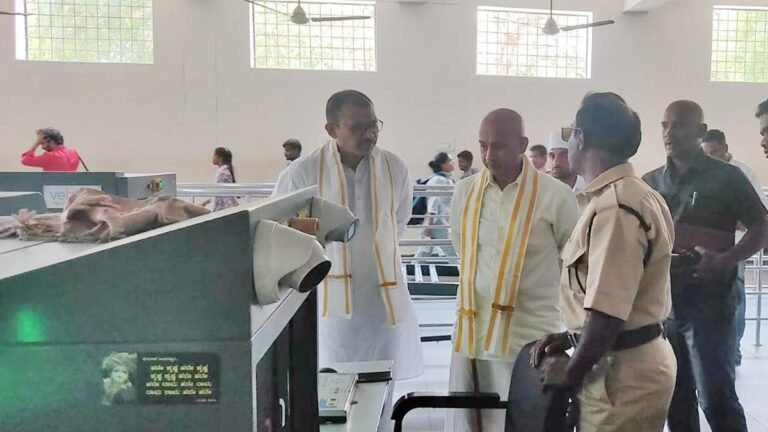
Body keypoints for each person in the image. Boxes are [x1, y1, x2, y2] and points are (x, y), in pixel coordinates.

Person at [533, 92, 677, 431]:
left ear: (581, 138)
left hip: (622, 377)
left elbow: (609, 312)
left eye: (569, 133)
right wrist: (572, 337)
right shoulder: (629, 195)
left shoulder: (616, 208)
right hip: (620, 362)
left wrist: (570, 371)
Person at [272, 90, 423, 380]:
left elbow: (399, 221)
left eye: (374, 125)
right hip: (328, 305)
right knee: (332, 386)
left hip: (382, 302)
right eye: (358, 127)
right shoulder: (301, 174)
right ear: (332, 129)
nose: (370, 134)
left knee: (381, 385)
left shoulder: (395, 167)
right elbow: (282, 233)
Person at [445, 109, 578, 431]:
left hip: (528, 337)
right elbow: (462, 248)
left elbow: (574, 267)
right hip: (473, 334)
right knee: (473, 420)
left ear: (522, 145)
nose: (489, 155)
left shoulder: (556, 196)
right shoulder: (465, 191)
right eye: (483, 145)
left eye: (499, 146)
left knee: (523, 422)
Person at [643, 100, 768, 432]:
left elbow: (761, 226)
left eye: (679, 125)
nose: (669, 132)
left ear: (700, 130)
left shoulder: (727, 177)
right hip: (666, 306)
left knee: (715, 397)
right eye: (665, 125)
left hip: (712, 305)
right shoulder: (650, 183)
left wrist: (726, 259)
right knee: (676, 397)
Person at [702, 129, 767, 366]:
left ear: (725, 148)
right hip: (711, 246)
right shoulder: (705, 173)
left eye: (714, 152)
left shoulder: (743, 173)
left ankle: (734, 348)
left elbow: (759, 215)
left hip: (739, 246)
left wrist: (735, 217)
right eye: (706, 153)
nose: (711, 158)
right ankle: (716, 347)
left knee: (736, 296)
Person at [415, 152, 456, 259]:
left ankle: (413, 267)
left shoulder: (447, 180)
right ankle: (461, 269)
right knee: (452, 252)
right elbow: (433, 202)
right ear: (443, 164)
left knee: (424, 252)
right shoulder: (438, 180)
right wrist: (430, 224)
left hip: (440, 221)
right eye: (450, 161)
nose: (453, 163)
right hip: (437, 222)